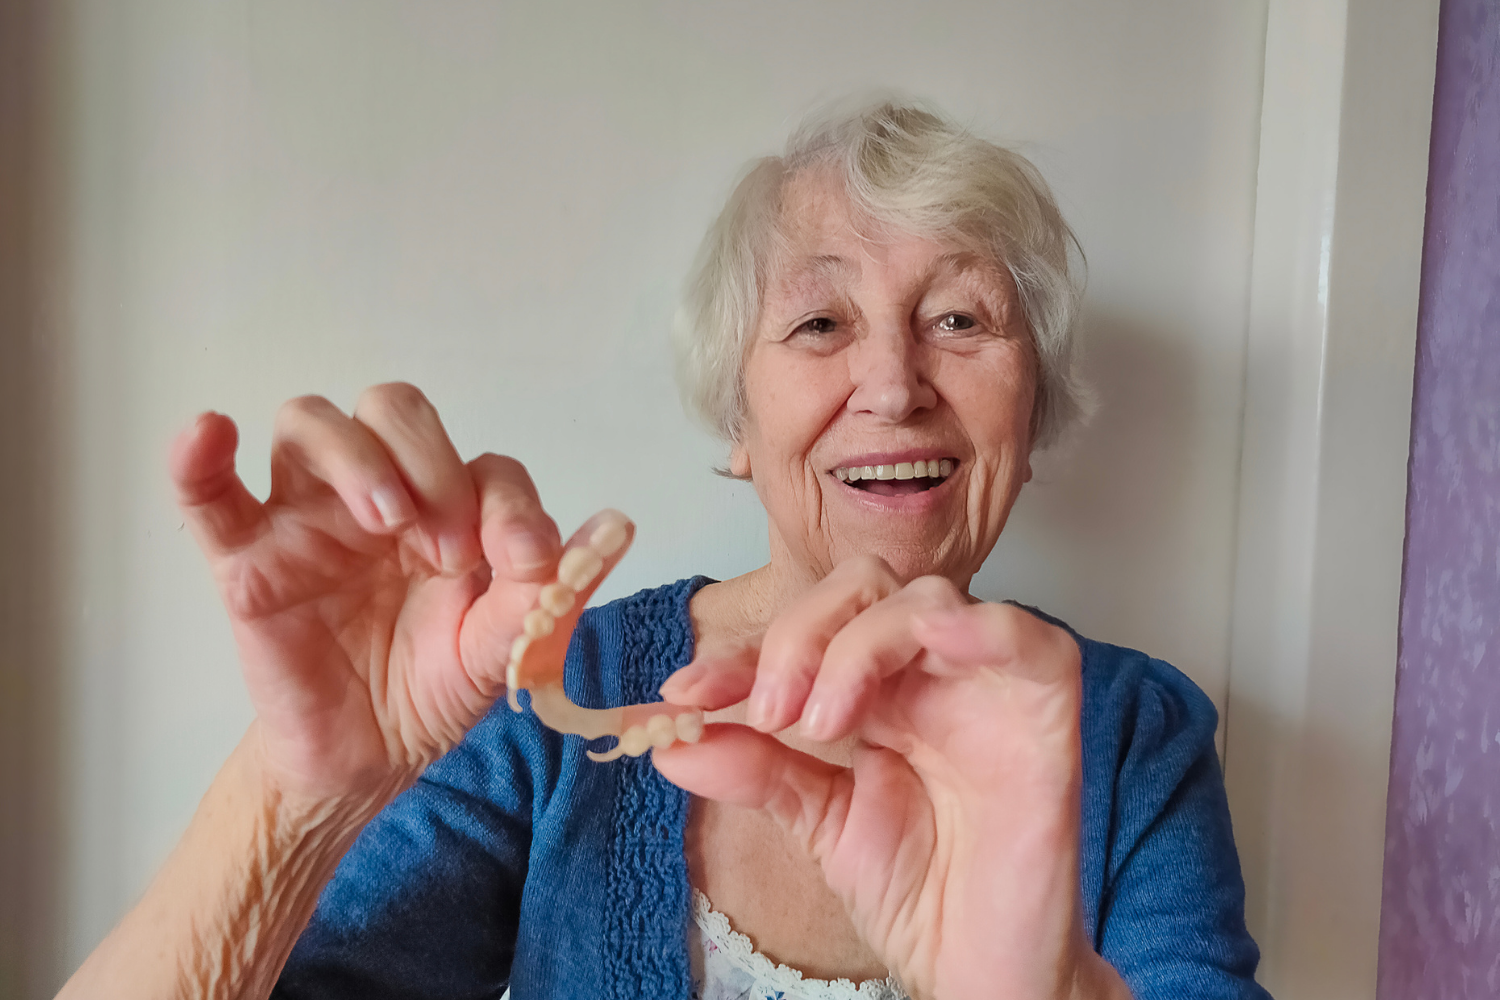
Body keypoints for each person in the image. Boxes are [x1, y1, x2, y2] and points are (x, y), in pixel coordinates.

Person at [59, 101, 1269, 1000]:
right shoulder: (553, 693)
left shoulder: (1131, 736)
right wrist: (295, 789)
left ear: (1033, 405)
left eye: (959, 319)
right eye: (819, 321)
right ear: (737, 424)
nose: (894, 386)